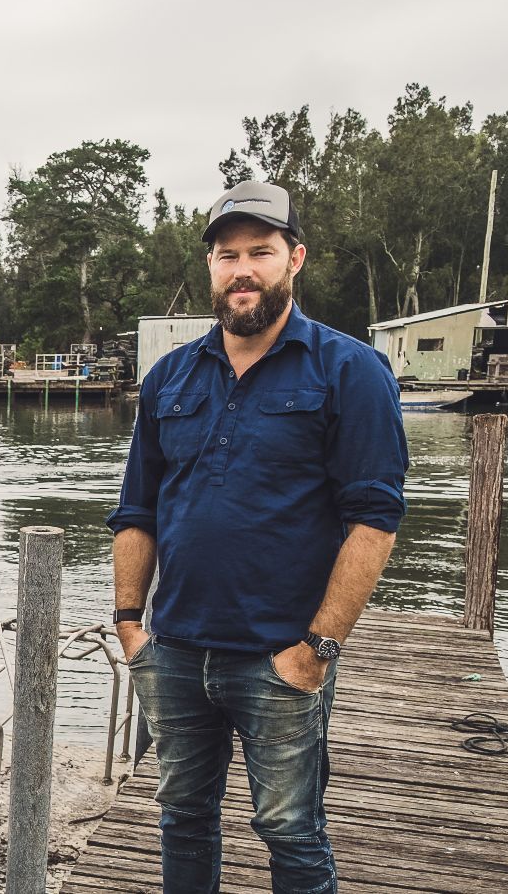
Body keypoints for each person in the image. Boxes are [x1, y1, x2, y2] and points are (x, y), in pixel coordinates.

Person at [108, 180, 408, 894]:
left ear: (294, 259)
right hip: (175, 650)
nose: (242, 269)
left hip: (281, 654)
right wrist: (129, 625)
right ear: (210, 268)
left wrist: (317, 650)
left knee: (289, 829)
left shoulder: (349, 370)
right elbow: (135, 511)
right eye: (226, 255)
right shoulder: (170, 377)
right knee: (181, 815)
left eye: (260, 252)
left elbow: (375, 518)